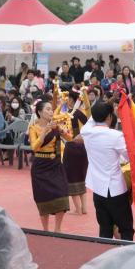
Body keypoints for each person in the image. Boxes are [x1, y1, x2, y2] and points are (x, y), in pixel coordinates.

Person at [82, 101, 134, 241]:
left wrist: (104, 110)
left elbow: (92, 118)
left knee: (105, 229)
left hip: (98, 189)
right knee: (126, 229)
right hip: (115, 189)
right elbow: (129, 156)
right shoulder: (115, 136)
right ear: (109, 117)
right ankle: (127, 259)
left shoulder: (86, 132)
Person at [28, 100, 72, 232]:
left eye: (51, 109)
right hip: (40, 166)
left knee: (62, 194)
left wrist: (62, 130)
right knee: (43, 198)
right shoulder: (33, 128)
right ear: (39, 112)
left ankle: (57, 229)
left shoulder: (55, 126)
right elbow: (35, 147)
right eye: (47, 109)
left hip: (55, 165)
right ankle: (45, 230)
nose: (51, 112)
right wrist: (45, 131)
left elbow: (70, 138)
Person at [60, 87, 91, 216]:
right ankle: (84, 207)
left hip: (71, 147)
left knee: (71, 179)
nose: (66, 102)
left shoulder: (69, 115)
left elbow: (65, 133)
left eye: (67, 100)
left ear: (72, 101)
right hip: (83, 149)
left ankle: (78, 209)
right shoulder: (82, 113)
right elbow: (90, 124)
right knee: (81, 177)